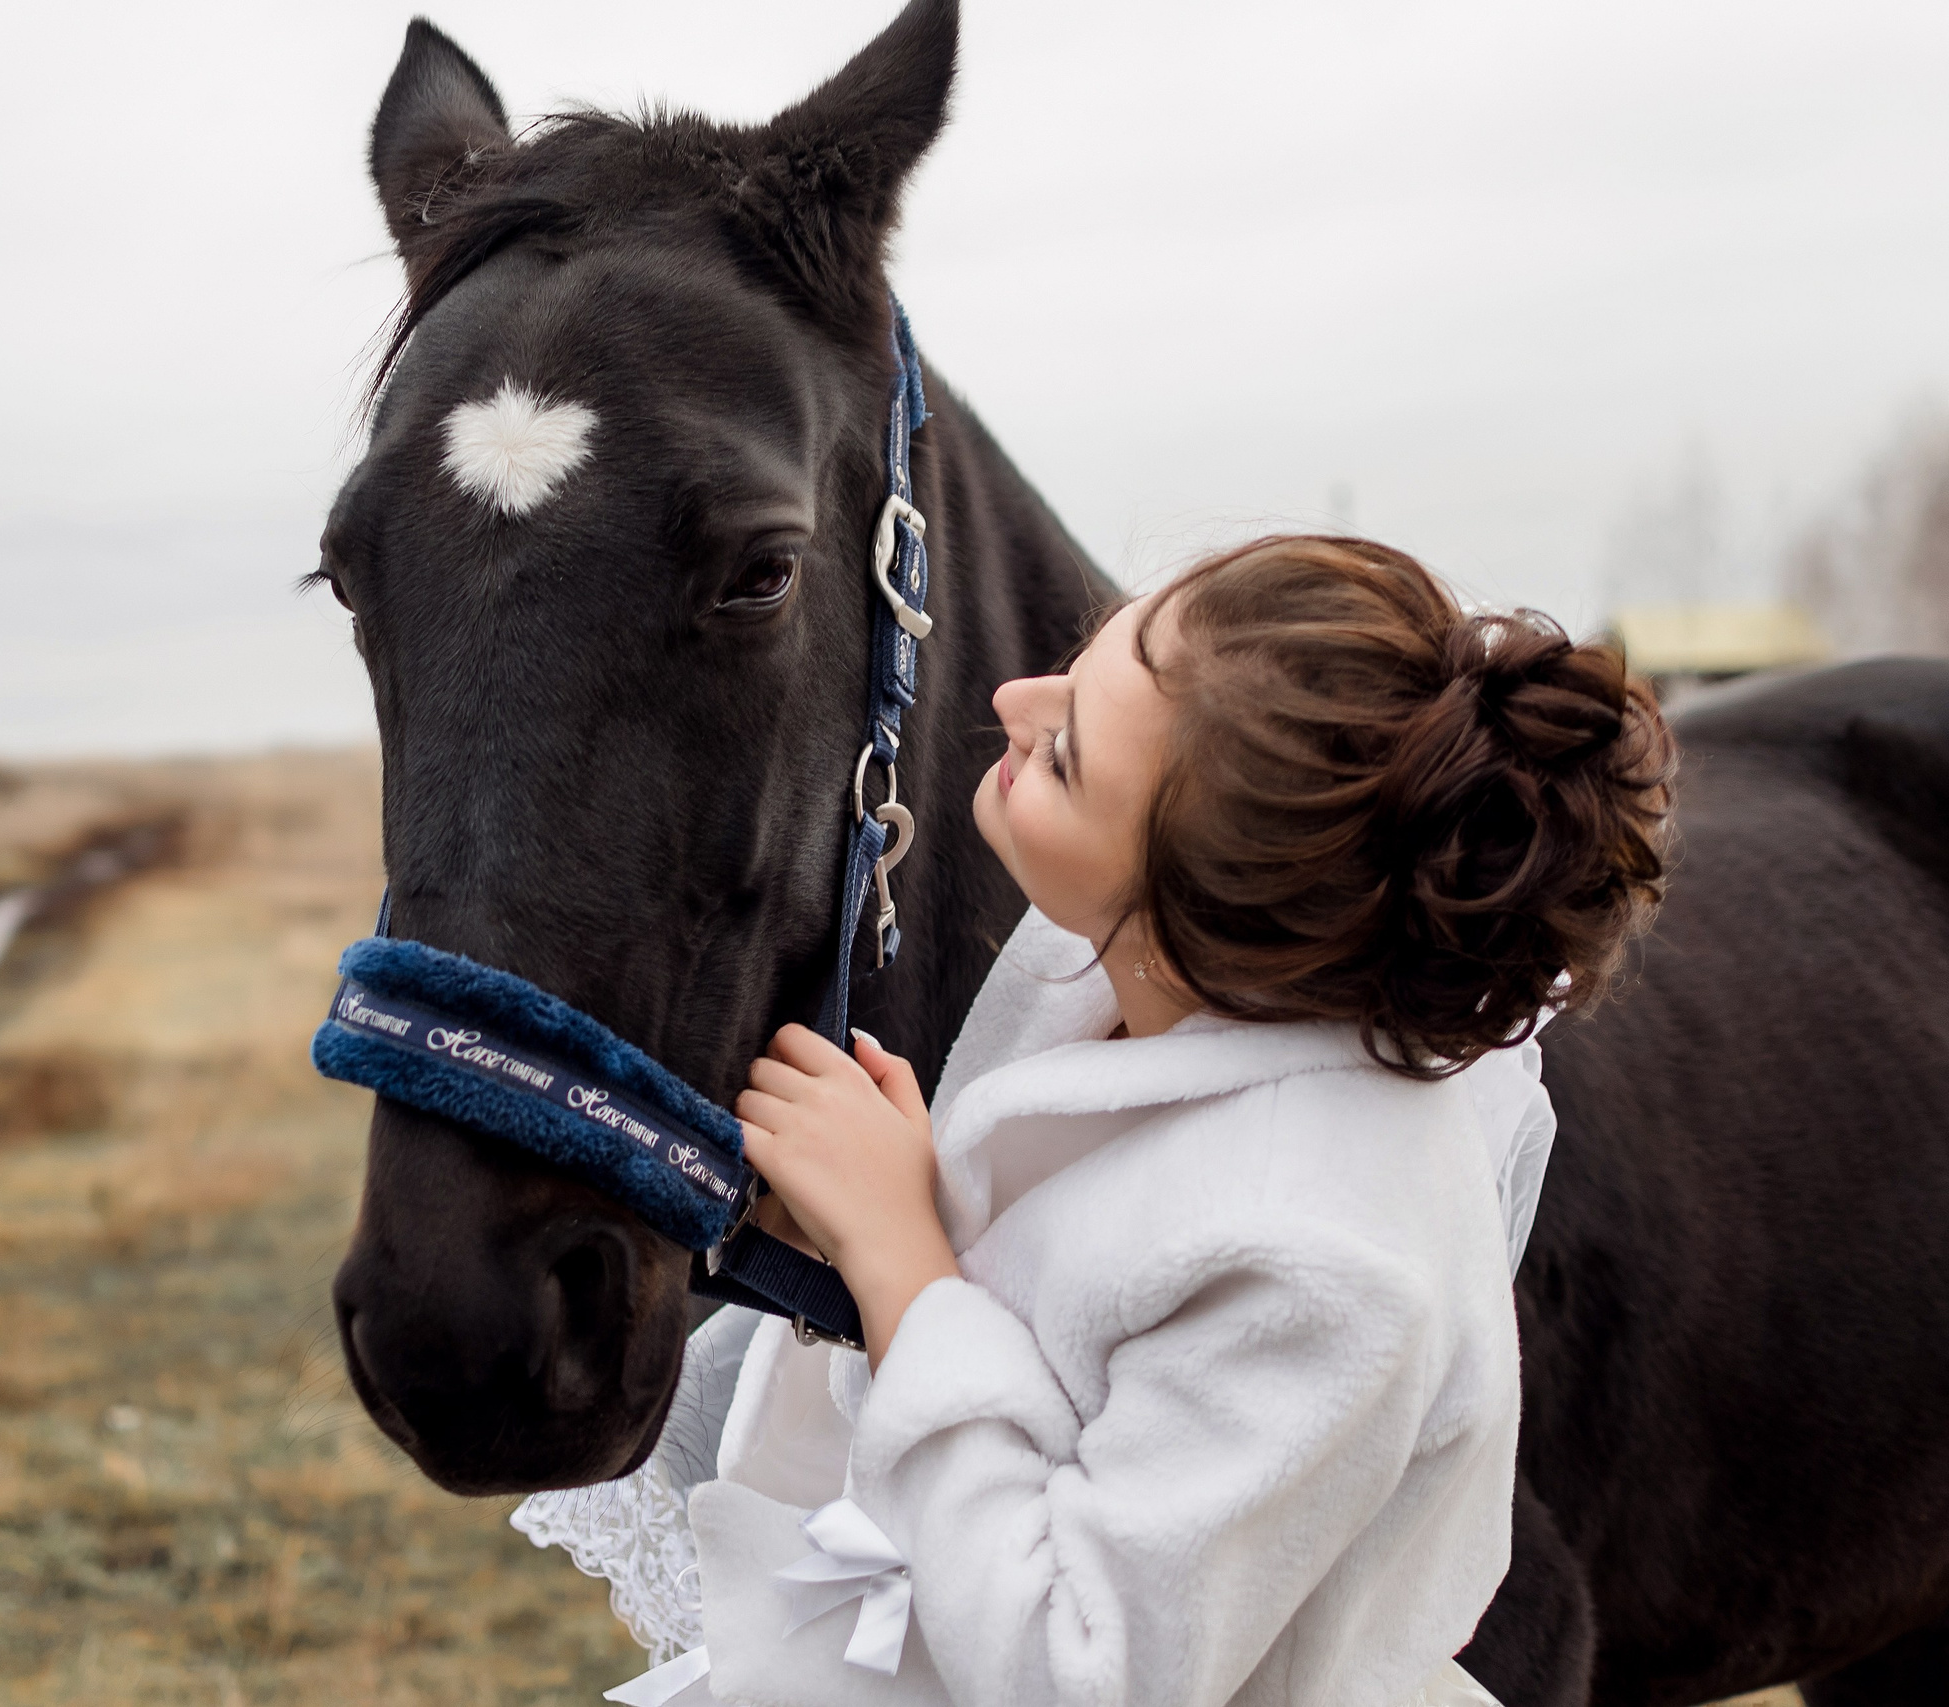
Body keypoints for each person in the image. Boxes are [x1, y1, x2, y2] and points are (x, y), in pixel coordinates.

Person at [516, 535, 1675, 1707]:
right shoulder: (1129, 980)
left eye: (1065, 754)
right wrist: (900, 1213)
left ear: (1197, 910)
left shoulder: (1326, 1261)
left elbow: (1081, 1674)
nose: (1012, 701)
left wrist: (902, 1258)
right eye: (1078, 662)